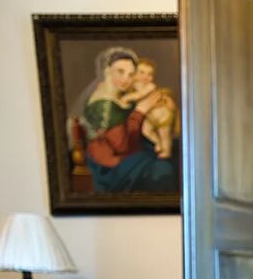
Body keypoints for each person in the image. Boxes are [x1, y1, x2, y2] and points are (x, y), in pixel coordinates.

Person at [75, 47, 178, 193]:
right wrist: (140, 111)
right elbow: (120, 144)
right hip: (110, 165)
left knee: (178, 151)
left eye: (130, 75)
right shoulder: (102, 104)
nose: (125, 79)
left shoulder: (122, 94)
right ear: (107, 71)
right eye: (120, 71)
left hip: (130, 150)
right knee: (163, 169)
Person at [118, 59, 180, 160]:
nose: (145, 77)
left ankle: (166, 152)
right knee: (145, 130)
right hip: (150, 118)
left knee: (165, 137)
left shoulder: (150, 86)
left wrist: (126, 98)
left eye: (149, 74)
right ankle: (157, 143)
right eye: (141, 72)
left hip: (162, 115)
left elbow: (139, 95)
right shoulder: (131, 86)